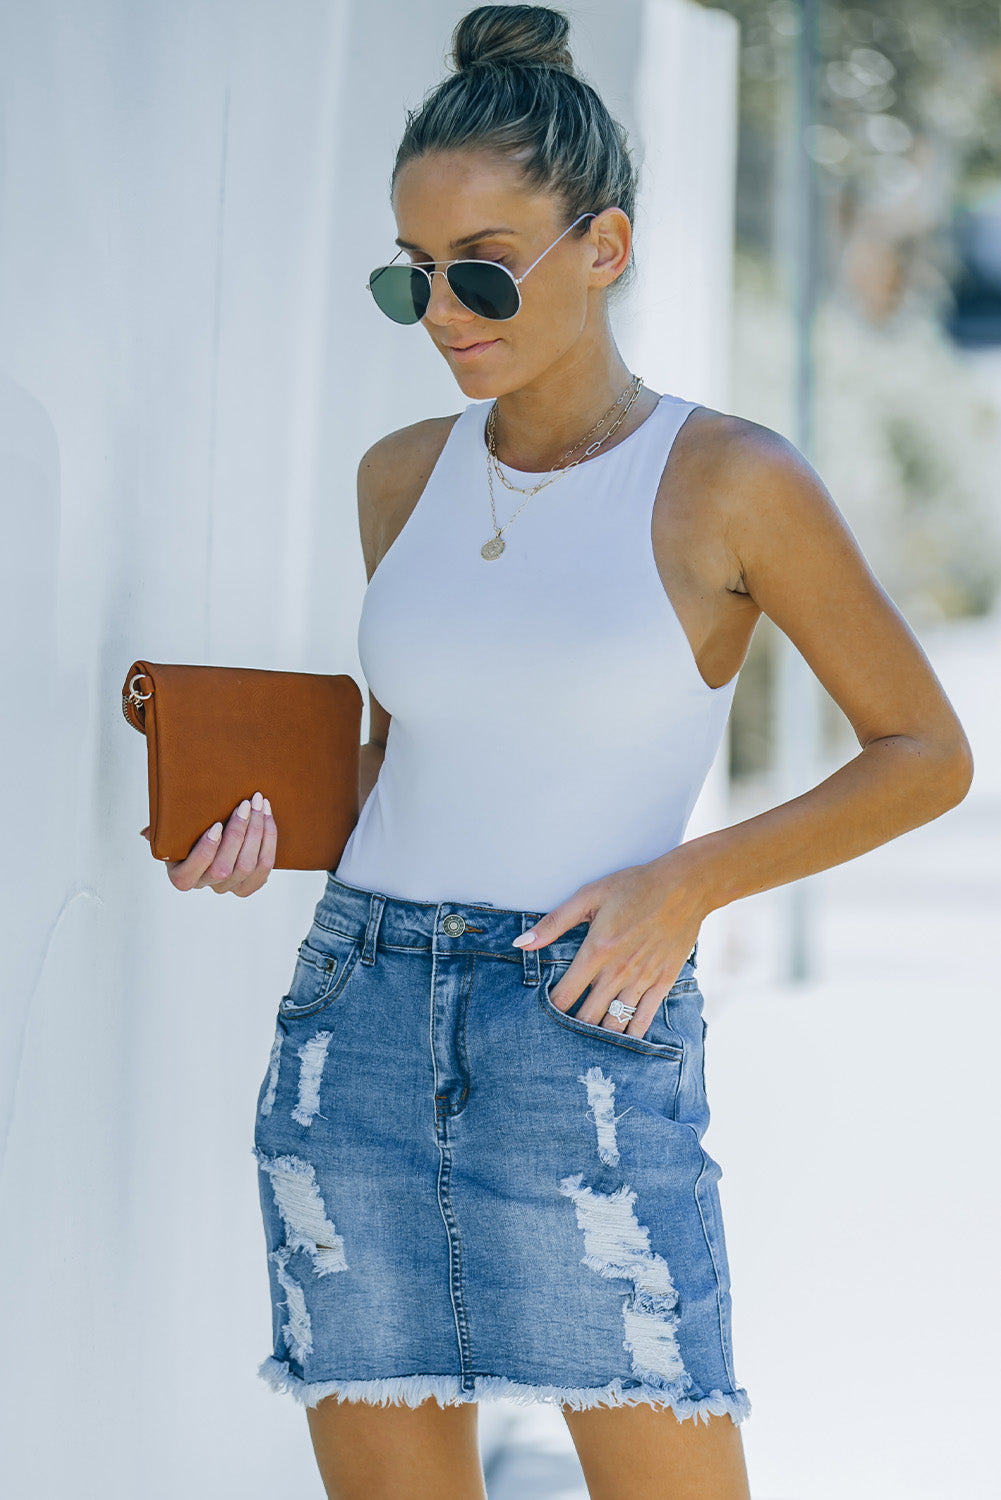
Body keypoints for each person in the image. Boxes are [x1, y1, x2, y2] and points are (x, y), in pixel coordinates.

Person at [143, 6, 973, 1498]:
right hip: (357, 1019)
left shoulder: (728, 481)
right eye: (412, 276)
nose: (446, 309)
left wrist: (685, 886)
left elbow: (923, 752)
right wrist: (263, 827)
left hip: (581, 1024)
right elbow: (419, 765)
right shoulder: (398, 476)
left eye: (482, 266)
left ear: (605, 246)